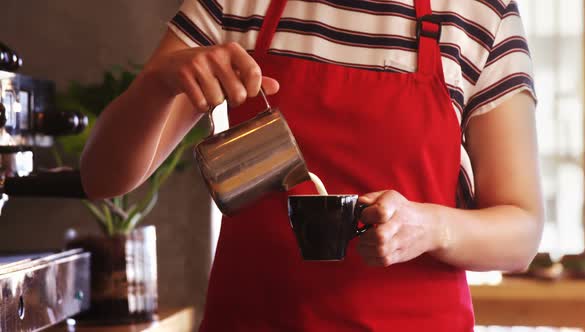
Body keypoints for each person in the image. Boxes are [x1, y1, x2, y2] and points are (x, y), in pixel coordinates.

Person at [80, 0, 544, 330]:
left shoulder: (481, 13)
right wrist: (159, 84)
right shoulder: (241, 4)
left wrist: (428, 227)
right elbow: (102, 178)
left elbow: (521, 231)